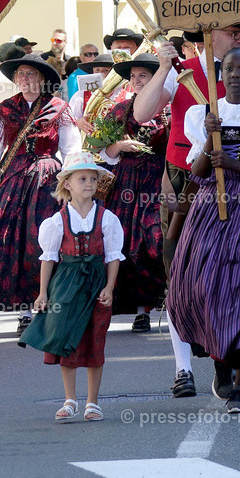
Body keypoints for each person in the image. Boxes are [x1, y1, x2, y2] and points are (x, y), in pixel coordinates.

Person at [132, 17, 240, 398]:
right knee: (179, 273)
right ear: (210, 34)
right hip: (183, 178)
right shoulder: (182, 71)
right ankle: (182, 368)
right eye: (234, 32)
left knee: (227, 275)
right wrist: (162, 67)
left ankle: (225, 361)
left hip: (236, 186)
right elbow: (142, 114)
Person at [166, 47, 240, 414]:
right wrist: (208, 140)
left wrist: (237, 165)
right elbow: (198, 173)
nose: (235, 74)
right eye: (230, 68)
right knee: (201, 288)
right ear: (221, 74)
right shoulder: (201, 114)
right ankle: (219, 362)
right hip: (207, 209)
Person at [0, 55, 80, 334]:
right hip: (14, 181)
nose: (25, 79)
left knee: (48, 241)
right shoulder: (5, 109)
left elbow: (71, 151)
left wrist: (70, 182)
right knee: (15, 243)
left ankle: (53, 305)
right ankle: (25, 310)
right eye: (21, 74)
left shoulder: (59, 108)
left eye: (30, 74)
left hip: (49, 180)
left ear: (41, 79)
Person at [18, 152, 123, 422]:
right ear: (67, 183)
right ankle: (69, 399)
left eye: (93, 179)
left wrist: (110, 287)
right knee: (65, 337)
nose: (89, 183)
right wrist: (43, 292)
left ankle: (92, 402)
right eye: (82, 178)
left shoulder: (108, 218)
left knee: (95, 339)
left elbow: (112, 256)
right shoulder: (56, 221)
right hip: (66, 281)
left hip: (96, 282)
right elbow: (49, 258)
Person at [98, 53, 169, 332]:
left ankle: (160, 301)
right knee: (123, 243)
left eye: (144, 76)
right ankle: (139, 311)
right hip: (125, 182)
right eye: (134, 76)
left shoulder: (168, 109)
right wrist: (120, 146)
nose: (137, 81)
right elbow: (104, 152)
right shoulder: (119, 110)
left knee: (155, 240)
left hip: (157, 179)